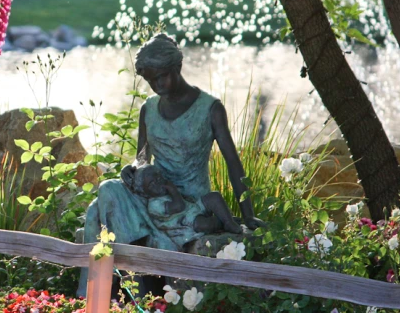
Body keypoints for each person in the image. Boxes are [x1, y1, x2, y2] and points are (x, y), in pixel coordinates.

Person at [77, 33, 264, 296]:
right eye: (150, 80)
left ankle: (129, 290)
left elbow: (233, 164)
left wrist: (247, 215)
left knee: (108, 207)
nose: (156, 85)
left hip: (188, 201)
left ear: (177, 67)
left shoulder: (210, 109)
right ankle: (96, 291)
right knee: (107, 191)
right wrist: (132, 170)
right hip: (153, 194)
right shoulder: (149, 108)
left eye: (161, 76)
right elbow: (143, 157)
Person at [121, 161, 243, 247]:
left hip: (194, 208)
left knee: (214, 196)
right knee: (203, 224)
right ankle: (221, 223)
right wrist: (173, 189)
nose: (158, 183)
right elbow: (179, 206)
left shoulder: (164, 193)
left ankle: (228, 221)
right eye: (152, 184)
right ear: (145, 193)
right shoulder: (154, 205)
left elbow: (187, 203)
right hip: (186, 223)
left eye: (158, 178)